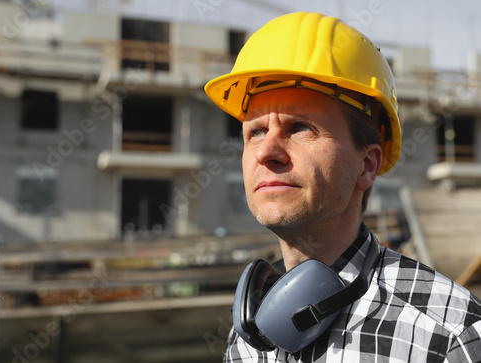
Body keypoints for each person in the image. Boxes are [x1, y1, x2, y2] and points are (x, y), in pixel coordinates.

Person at [205, 11, 481, 363]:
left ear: (366, 166)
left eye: (300, 127)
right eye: (256, 131)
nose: (266, 152)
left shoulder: (450, 336)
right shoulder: (249, 336)